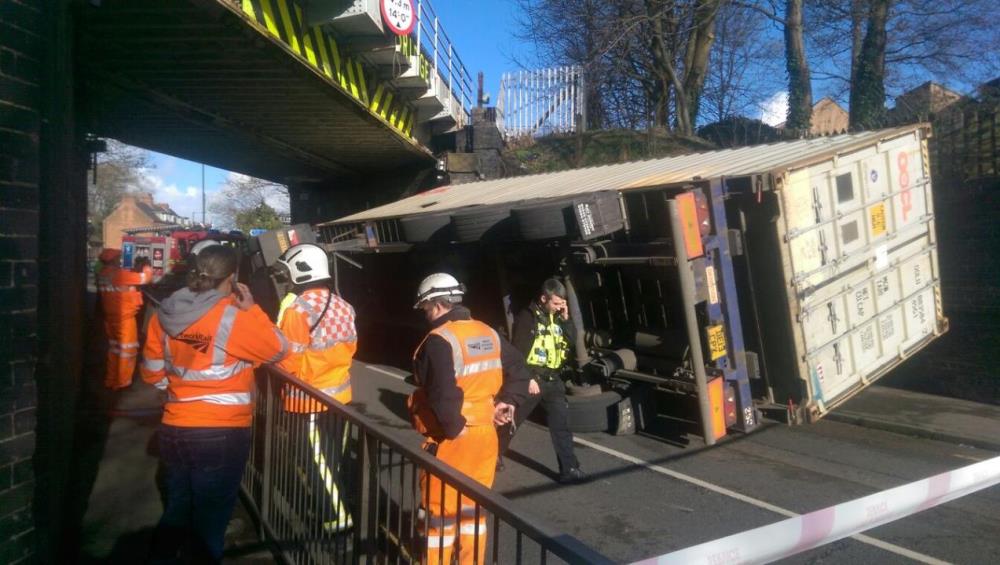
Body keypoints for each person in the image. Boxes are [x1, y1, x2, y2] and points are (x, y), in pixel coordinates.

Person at [140, 244, 289, 563]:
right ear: (232, 278)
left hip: (174, 427)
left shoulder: (165, 313)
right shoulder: (231, 317)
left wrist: (179, 391)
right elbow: (279, 349)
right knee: (210, 523)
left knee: (177, 509)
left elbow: (152, 373)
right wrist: (252, 309)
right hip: (220, 432)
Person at [409, 273, 529, 565]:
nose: (426, 314)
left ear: (436, 305)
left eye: (425, 308)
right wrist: (507, 402)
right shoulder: (486, 332)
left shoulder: (439, 340)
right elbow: (518, 368)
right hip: (485, 434)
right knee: (472, 511)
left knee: (440, 512)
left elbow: (442, 394)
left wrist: (453, 430)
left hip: (453, 439)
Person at [274, 243, 357, 533]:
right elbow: (351, 348)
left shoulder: (297, 310)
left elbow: (288, 361)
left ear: (300, 269)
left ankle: (338, 522)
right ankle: (340, 507)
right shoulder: (345, 305)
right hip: (341, 398)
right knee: (332, 460)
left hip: (308, 400)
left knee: (317, 463)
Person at [499, 278, 586, 484]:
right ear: (543, 298)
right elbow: (517, 352)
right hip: (532, 379)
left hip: (553, 380)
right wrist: (527, 378)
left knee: (561, 427)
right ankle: (492, 454)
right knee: (510, 422)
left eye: (562, 303)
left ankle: (569, 469)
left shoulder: (558, 317)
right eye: (556, 303)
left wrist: (566, 319)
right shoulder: (527, 318)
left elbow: (572, 342)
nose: (559, 307)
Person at [97, 247, 153, 390]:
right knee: (127, 351)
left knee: (114, 349)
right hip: (125, 318)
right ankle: (122, 382)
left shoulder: (102, 274)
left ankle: (111, 379)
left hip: (110, 319)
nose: (120, 261)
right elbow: (145, 279)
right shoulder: (120, 275)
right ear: (114, 260)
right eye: (118, 259)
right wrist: (146, 267)